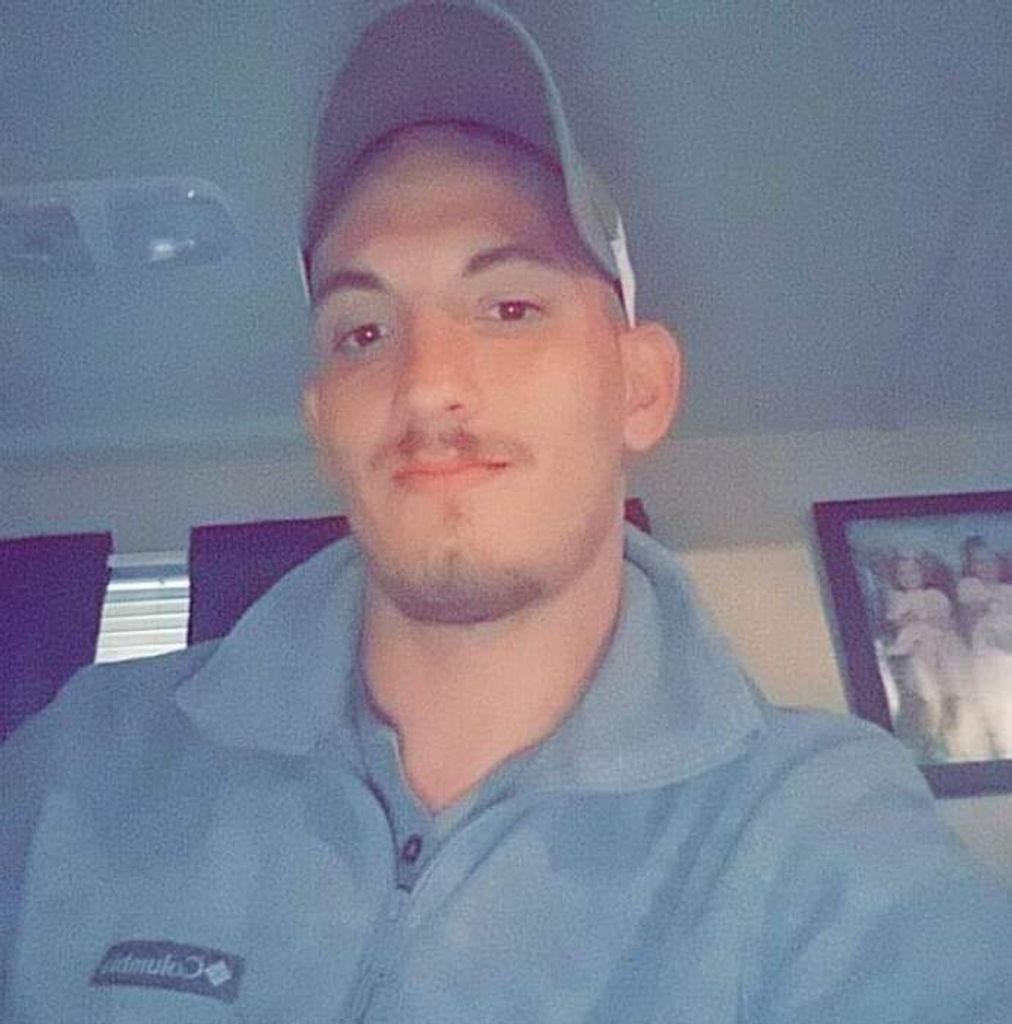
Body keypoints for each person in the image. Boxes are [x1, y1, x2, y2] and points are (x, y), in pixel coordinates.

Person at [2, 2, 1011, 1021]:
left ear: (640, 387)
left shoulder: (820, 841)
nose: (426, 384)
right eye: (362, 331)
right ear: (323, 423)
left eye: (510, 307)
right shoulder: (79, 766)